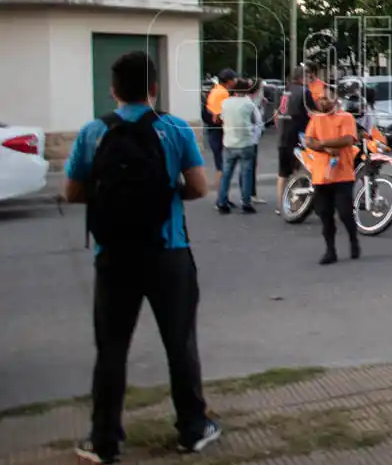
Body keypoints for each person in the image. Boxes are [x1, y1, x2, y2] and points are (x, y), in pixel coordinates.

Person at [64, 51, 221, 462]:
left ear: (114, 89)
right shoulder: (173, 129)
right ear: (154, 88)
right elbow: (199, 187)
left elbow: (73, 192)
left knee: (112, 348)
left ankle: (104, 441)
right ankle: (192, 428)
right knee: (179, 344)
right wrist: (167, 194)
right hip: (168, 252)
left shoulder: (93, 132)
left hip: (113, 256)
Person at [303, 89, 360, 265]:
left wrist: (324, 143)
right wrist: (325, 148)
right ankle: (330, 251)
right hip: (321, 175)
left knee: (344, 213)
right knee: (325, 215)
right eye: (320, 99)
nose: (322, 102)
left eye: (326, 99)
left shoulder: (346, 117)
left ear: (335, 99)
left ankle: (353, 239)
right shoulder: (316, 118)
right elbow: (309, 140)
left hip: (342, 174)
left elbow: (348, 140)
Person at [275, 66, 314, 216]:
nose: (309, 80)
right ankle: (296, 203)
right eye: (308, 77)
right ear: (302, 78)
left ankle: (280, 205)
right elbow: (314, 113)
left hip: (283, 136)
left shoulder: (283, 91)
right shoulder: (304, 93)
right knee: (299, 171)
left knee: (282, 173)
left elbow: (277, 114)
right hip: (298, 137)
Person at [216, 79, 260, 215]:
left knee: (226, 174)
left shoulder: (225, 103)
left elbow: (221, 118)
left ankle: (222, 202)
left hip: (229, 142)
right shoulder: (249, 104)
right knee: (246, 174)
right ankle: (246, 203)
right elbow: (256, 121)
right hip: (246, 143)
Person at [203, 69, 236, 177]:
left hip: (212, 127)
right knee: (222, 161)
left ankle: (221, 181)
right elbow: (221, 114)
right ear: (228, 81)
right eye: (233, 79)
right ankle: (221, 185)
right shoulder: (223, 93)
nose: (235, 81)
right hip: (218, 129)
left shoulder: (216, 89)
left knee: (219, 158)